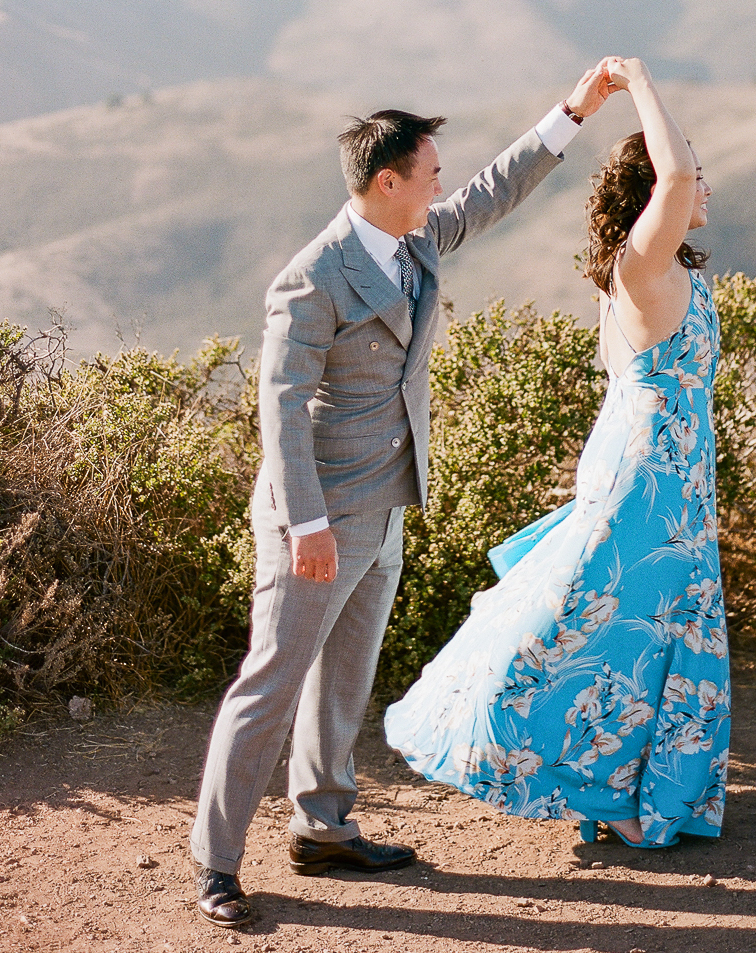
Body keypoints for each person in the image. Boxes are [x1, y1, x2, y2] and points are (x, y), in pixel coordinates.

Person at [190, 66, 616, 927]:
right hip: (316, 517)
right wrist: (305, 521)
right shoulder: (312, 278)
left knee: (345, 677)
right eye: (429, 174)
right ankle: (217, 865)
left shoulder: (413, 237)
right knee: (271, 681)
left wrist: (573, 113)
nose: (441, 187)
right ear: (387, 183)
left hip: (386, 504)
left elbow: (495, 191)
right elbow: (278, 411)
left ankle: (323, 828)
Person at [384, 56, 729, 850]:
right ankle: (584, 779)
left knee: (657, 627)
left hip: (673, 470)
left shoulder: (666, 270)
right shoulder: (641, 266)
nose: (702, 186)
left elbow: (676, 184)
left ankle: (622, 792)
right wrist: (639, 87)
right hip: (646, 473)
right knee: (611, 621)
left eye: (703, 173)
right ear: (652, 200)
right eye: (694, 174)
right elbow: (673, 181)